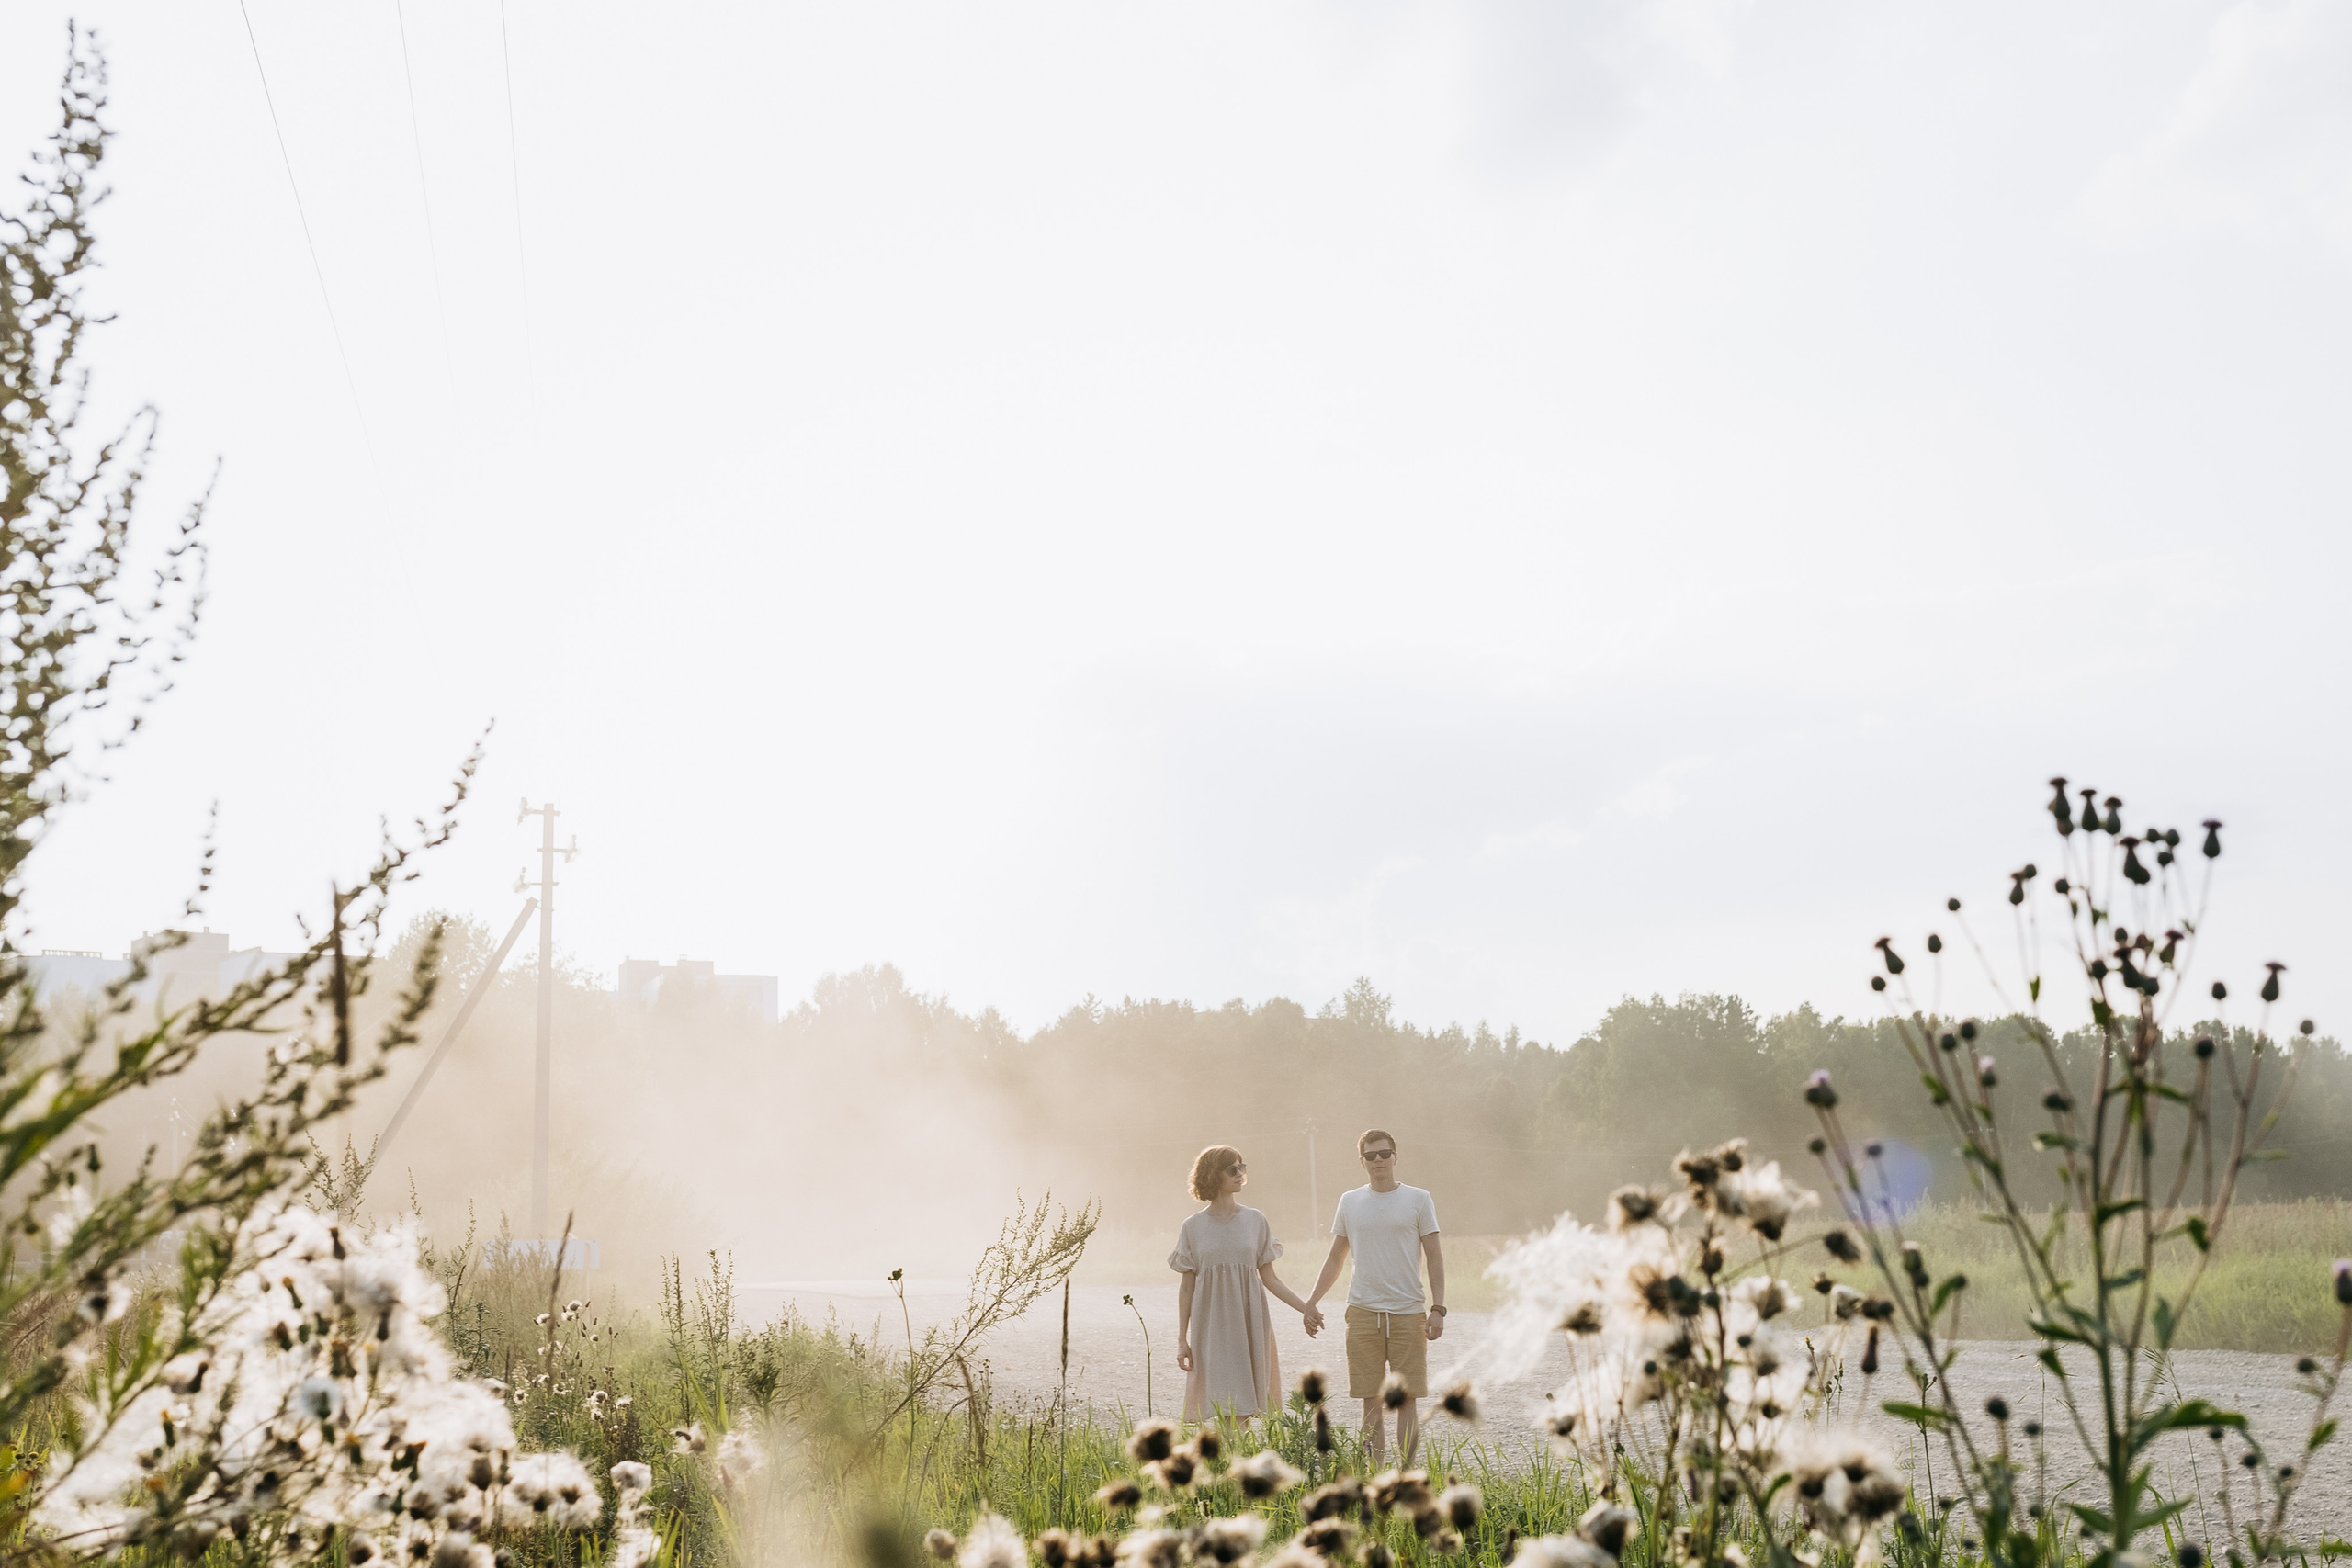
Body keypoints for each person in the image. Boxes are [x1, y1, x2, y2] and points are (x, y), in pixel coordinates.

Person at [1304, 1128, 1444, 1463]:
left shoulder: (1418, 1199)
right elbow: (1336, 1256)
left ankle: (1407, 1473)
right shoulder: (1350, 1201)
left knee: (1407, 1399)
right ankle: (1375, 1473)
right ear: (1362, 1161)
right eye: (1371, 1156)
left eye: (1384, 1154)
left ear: (1396, 1157)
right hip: (1363, 1312)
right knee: (1371, 1401)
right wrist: (1312, 1301)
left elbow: (1435, 1255)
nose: (1378, 1161)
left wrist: (1438, 1308)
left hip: (1408, 1312)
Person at [1170, 1144, 1323, 1426]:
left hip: (1249, 1320)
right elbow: (1187, 1288)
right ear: (1214, 1174)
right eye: (1232, 1169)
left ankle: (1234, 1463)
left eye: (1242, 1167)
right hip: (1211, 1325)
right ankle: (1233, 1462)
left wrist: (1306, 1309)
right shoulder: (1192, 1227)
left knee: (1242, 1406)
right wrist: (1182, 1339)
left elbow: (1271, 1279)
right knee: (1223, 1403)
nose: (1240, 1174)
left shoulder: (1255, 1220)